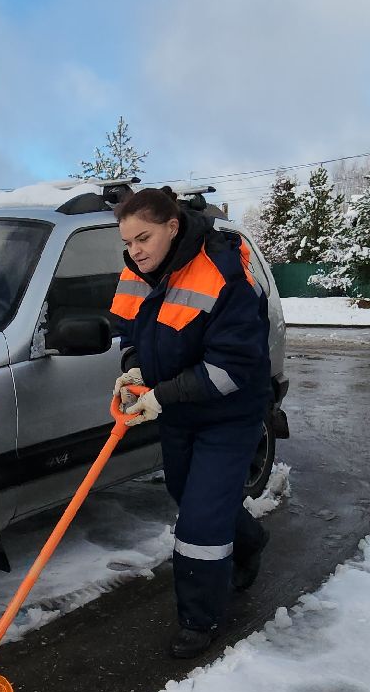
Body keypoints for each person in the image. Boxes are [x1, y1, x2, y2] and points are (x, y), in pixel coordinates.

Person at [108, 187, 272, 659]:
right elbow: (131, 329)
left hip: (229, 412)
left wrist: (160, 395)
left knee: (199, 522)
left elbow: (232, 368)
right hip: (179, 412)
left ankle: (200, 621)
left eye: (144, 237)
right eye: (129, 241)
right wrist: (135, 367)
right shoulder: (138, 269)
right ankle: (251, 539)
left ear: (172, 226)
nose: (136, 250)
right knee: (189, 493)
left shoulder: (223, 272)